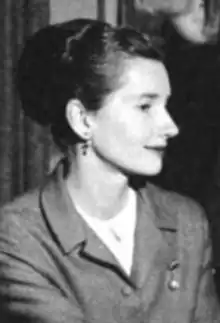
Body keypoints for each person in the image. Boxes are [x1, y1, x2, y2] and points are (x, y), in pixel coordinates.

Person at [0, 18, 219, 323]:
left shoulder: (186, 221)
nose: (170, 126)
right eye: (145, 107)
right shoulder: (16, 237)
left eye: (166, 105)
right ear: (83, 120)